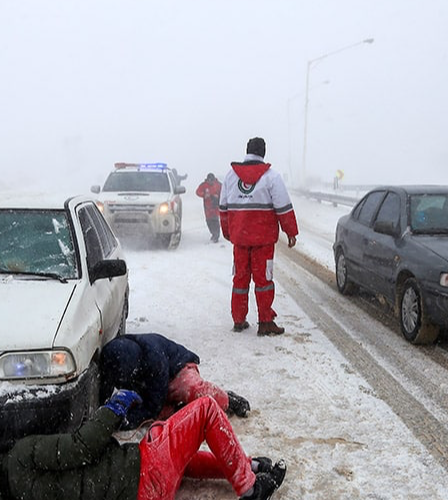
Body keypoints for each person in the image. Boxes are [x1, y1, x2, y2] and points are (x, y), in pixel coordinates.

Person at [0, 390, 287, 500]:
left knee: (176, 453)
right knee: (204, 410)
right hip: (139, 472)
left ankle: (251, 467)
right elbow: (82, 446)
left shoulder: (26, 497)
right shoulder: (20, 457)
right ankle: (250, 491)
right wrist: (113, 407)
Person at [219, 137, 299, 336]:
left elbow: (223, 208)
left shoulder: (230, 177)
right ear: (263, 153)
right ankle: (265, 322)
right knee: (263, 281)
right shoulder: (271, 177)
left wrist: (228, 232)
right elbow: (283, 206)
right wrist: (291, 232)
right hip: (263, 240)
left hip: (240, 239)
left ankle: (238, 319)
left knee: (240, 279)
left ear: (247, 151)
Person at [99, 333, 250, 429]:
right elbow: (105, 387)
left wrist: (128, 421)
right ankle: (180, 409)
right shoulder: (112, 356)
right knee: (162, 420)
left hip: (177, 371)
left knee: (194, 392)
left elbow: (153, 405)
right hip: (150, 386)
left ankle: (227, 399)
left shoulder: (153, 357)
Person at [196, 173, 223, 242]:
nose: (211, 182)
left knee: (215, 220)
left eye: (212, 181)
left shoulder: (219, 185)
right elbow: (197, 192)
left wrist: (218, 196)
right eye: (209, 181)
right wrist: (204, 195)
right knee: (209, 221)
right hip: (207, 206)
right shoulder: (204, 185)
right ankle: (213, 233)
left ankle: (216, 235)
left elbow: (224, 192)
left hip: (216, 205)